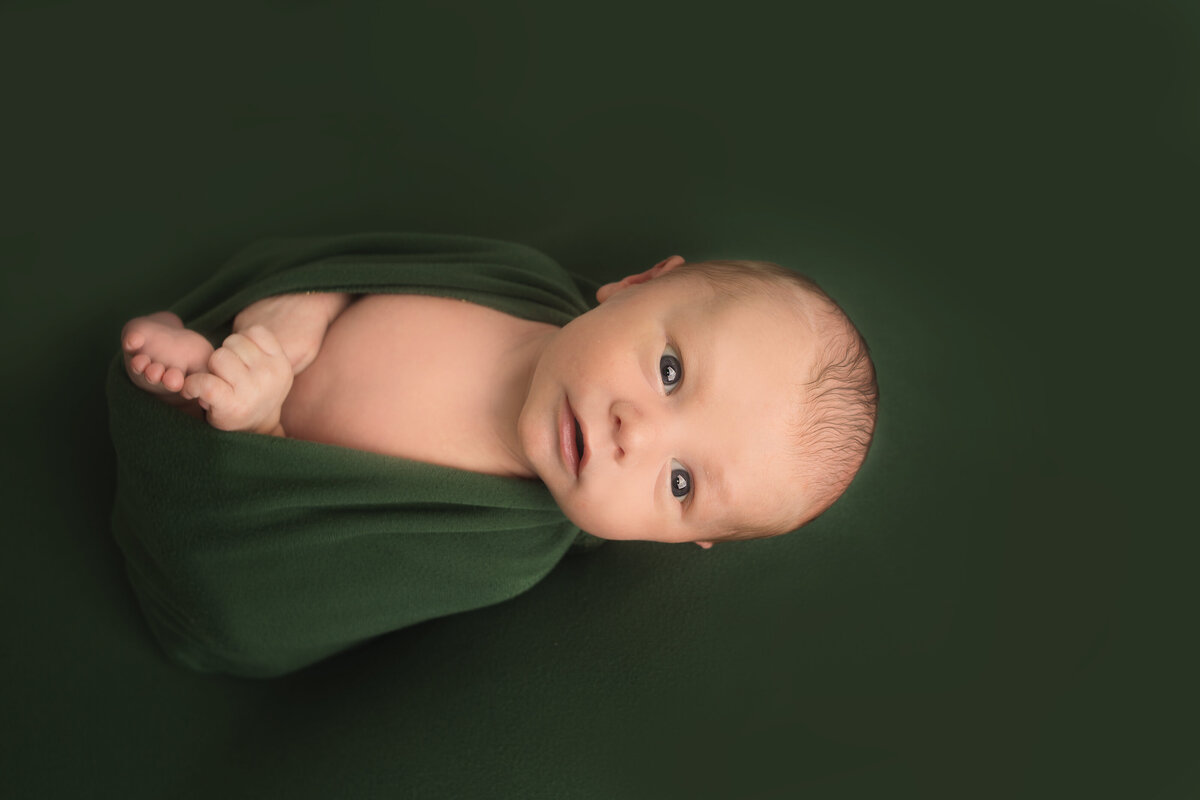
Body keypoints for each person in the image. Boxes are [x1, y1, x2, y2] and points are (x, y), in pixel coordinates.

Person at [108, 233, 877, 675]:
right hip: (305, 332)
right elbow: (373, 261)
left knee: (240, 400)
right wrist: (313, 304)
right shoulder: (520, 279)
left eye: (680, 483)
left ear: (678, 542)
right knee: (287, 318)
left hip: (268, 464)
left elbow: (309, 564)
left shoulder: (497, 552)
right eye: (670, 372)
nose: (633, 435)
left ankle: (213, 399)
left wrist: (265, 428)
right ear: (636, 285)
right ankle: (247, 340)